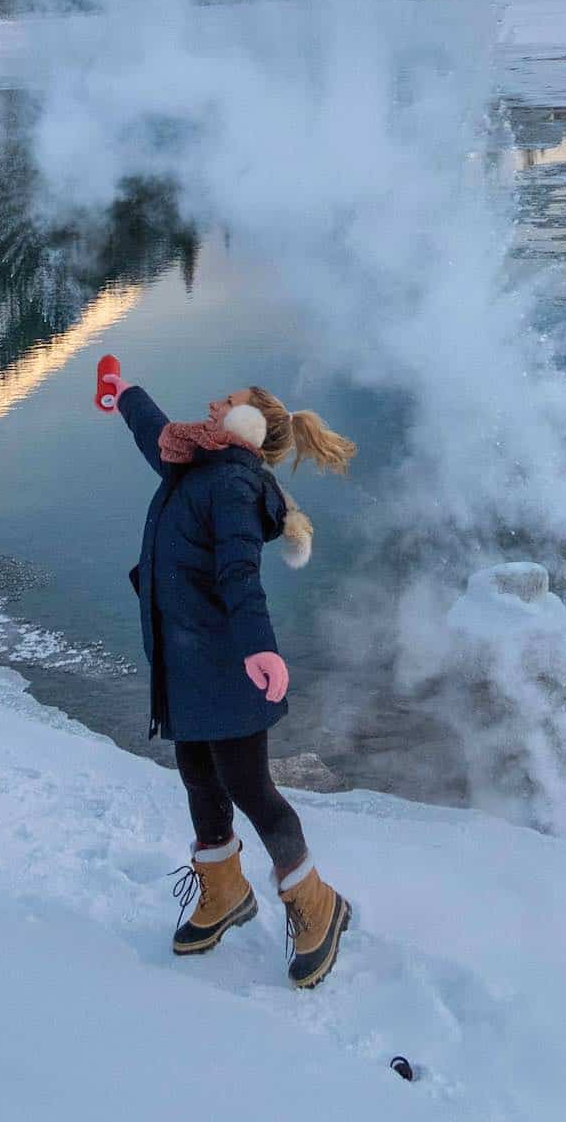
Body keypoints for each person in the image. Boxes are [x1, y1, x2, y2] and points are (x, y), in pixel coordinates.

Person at [105, 368, 357, 989]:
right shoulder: (195, 460)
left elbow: (240, 572)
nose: (214, 401)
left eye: (231, 402)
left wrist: (259, 650)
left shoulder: (236, 483)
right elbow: (153, 433)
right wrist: (125, 393)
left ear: (248, 425)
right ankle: (225, 890)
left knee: (250, 786)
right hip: (186, 657)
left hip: (227, 661)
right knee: (196, 773)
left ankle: (316, 902)